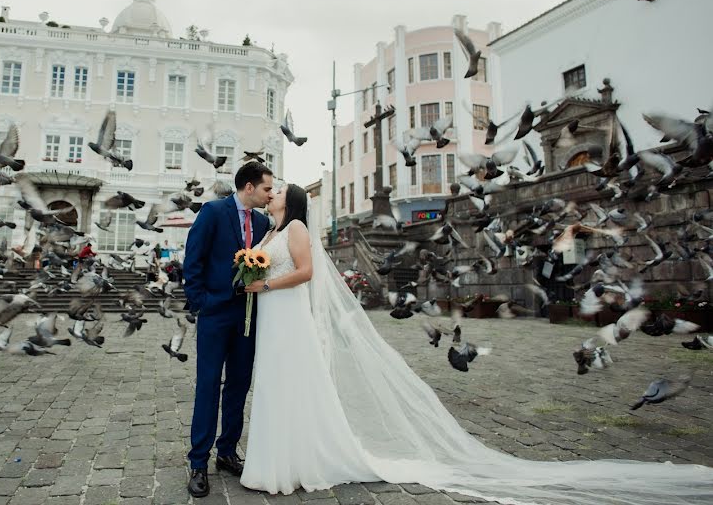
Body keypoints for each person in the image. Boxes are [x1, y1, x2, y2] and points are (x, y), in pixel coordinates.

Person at [232, 183, 713, 504]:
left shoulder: (293, 228)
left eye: (276, 193)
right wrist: (254, 272)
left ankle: (298, 459)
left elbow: (307, 272)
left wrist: (264, 284)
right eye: (270, 191)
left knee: (292, 384)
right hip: (276, 319)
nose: (271, 195)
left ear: (289, 204)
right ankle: (283, 458)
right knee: (279, 387)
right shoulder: (273, 229)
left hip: (285, 315)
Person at [183, 161, 273, 498]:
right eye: (266, 188)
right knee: (207, 386)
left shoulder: (264, 222)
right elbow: (193, 259)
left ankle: (227, 452)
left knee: (238, 385)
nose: (270, 194)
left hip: (248, 317)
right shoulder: (212, 212)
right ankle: (198, 462)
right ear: (248, 187)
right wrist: (201, 302)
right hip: (215, 314)